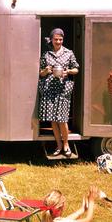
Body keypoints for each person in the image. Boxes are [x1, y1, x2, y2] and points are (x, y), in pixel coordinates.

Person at [39, 28, 79, 157]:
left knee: (62, 119)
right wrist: (46, 70)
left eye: (60, 39)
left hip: (63, 89)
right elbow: (41, 73)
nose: (58, 41)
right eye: (56, 39)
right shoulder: (46, 54)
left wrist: (68, 72)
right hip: (49, 90)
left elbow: (76, 69)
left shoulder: (69, 53)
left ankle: (66, 145)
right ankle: (59, 145)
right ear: (51, 39)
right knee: (53, 120)